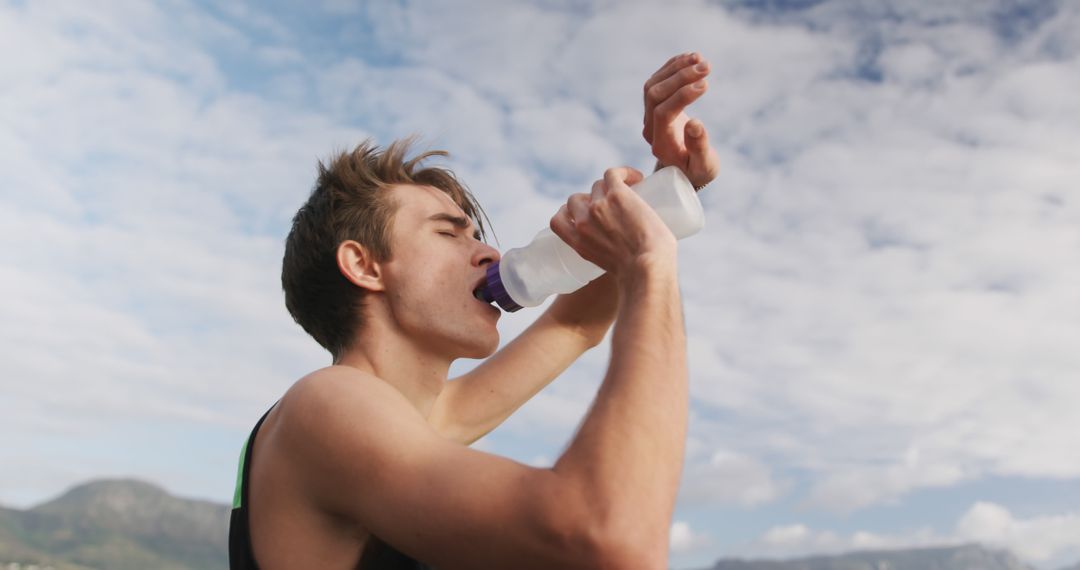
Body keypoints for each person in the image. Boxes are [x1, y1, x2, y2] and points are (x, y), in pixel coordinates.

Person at [229, 52, 721, 569]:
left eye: (478, 235)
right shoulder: (326, 404)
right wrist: (649, 262)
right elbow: (608, 534)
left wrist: (670, 188)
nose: (489, 253)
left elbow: (575, 324)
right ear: (364, 265)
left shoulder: (406, 423)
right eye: (448, 233)